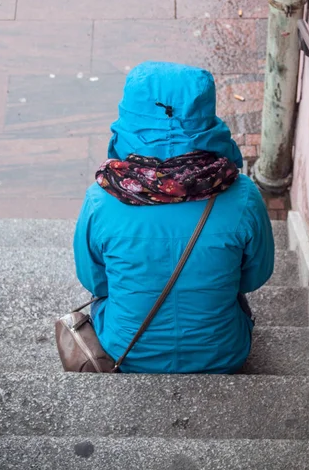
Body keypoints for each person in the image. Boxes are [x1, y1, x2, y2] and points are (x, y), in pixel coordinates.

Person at [74, 61, 274, 374]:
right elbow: (254, 277)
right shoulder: (243, 197)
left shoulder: (100, 200)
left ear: (129, 116)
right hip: (223, 355)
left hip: (127, 352)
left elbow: (95, 281)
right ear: (206, 117)